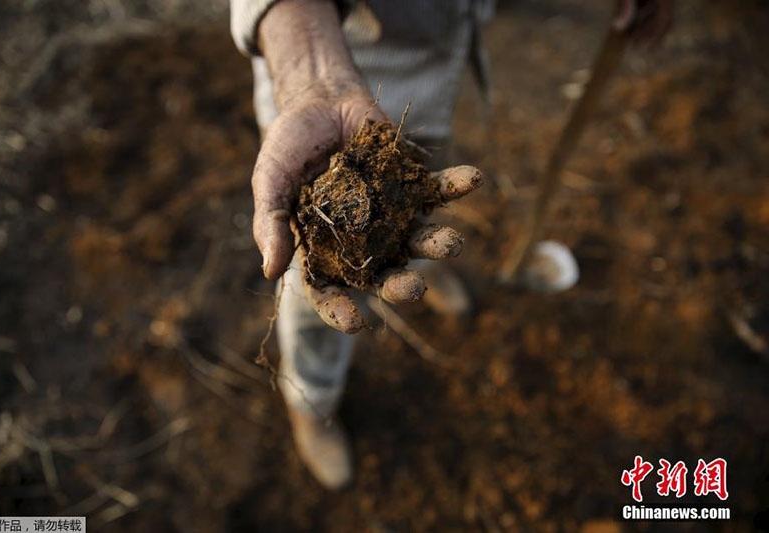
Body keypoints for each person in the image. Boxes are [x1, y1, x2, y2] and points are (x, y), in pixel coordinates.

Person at [230, 0, 673, 490]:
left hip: (446, 43)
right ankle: (314, 400)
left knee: (426, 188)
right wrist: (314, 76)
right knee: (315, 281)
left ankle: (418, 261)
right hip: (335, 44)